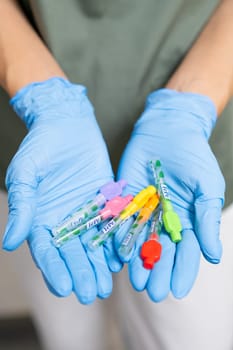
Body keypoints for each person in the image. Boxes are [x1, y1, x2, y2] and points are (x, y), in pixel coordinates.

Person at [0, 0, 233, 349]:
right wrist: (46, 97)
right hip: (45, 162)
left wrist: (187, 107)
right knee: (69, 333)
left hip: (191, 148)